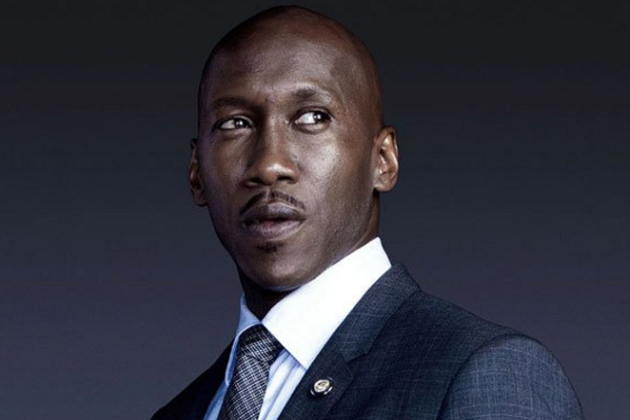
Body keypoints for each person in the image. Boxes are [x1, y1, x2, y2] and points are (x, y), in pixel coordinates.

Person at [152, 6, 584, 420]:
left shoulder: (487, 373)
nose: (269, 164)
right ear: (196, 173)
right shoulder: (182, 412)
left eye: (313, 117)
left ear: (383, 161)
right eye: (235, 123)